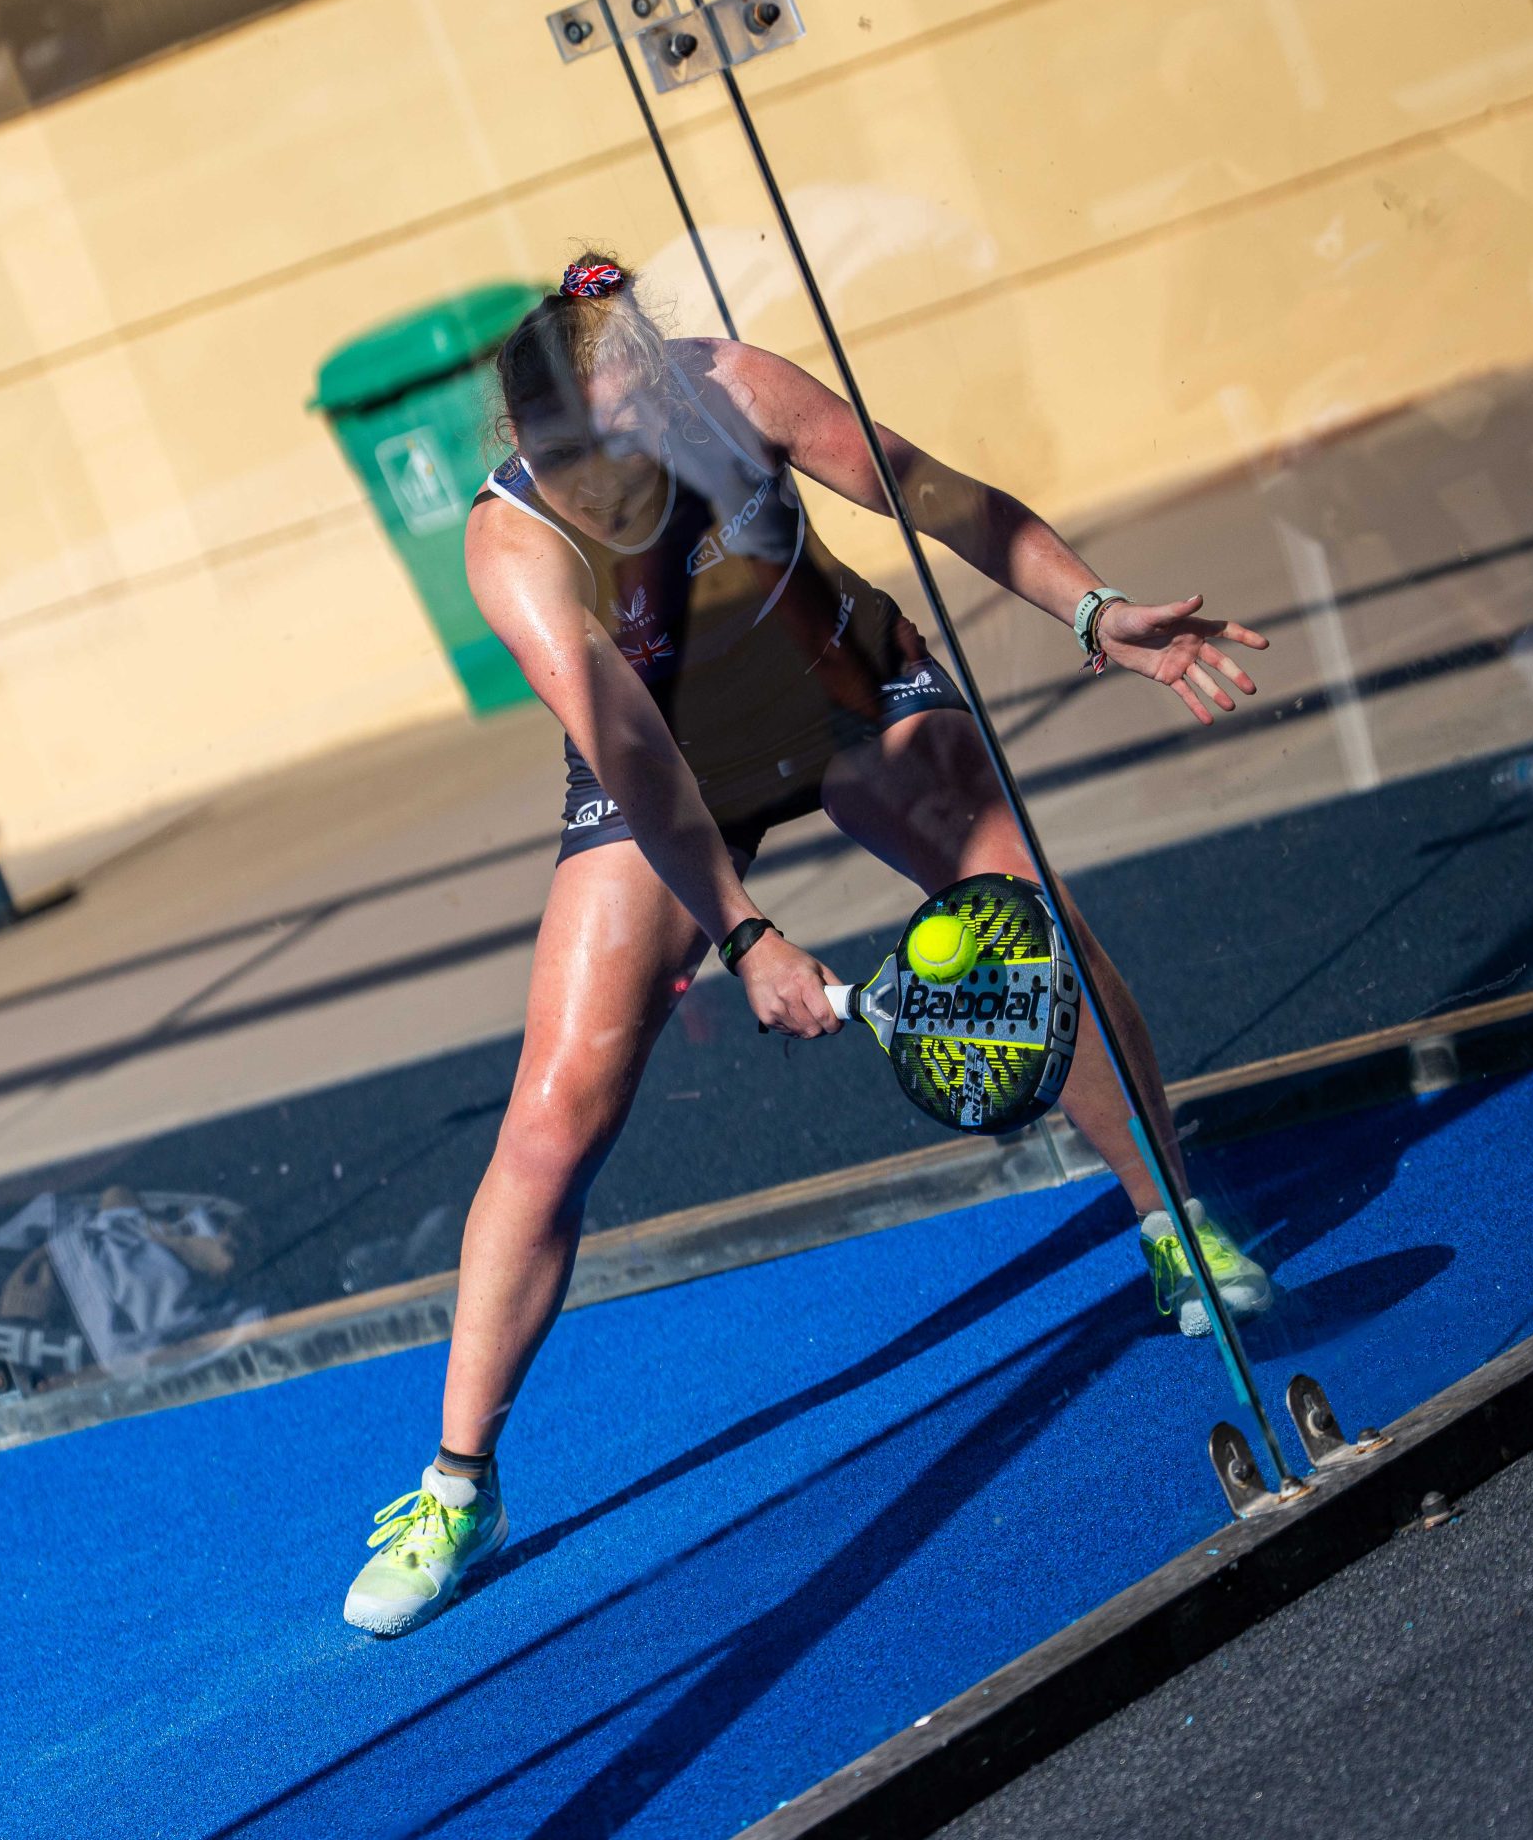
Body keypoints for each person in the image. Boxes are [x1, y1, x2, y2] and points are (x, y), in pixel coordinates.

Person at [343, 254, 1273, 1638]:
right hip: (670, 763)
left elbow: (935, 494)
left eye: (618, 443)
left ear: (666, 394)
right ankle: (458, 1486)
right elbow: (636, 759)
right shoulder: (514, 547)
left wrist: (1092, 608)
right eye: (562, 458)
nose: (596, 482)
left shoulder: (743, 391)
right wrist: (747, 935)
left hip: (847, 690)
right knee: (553, 1110)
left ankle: (1173, 1223)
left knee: (1031, 927)